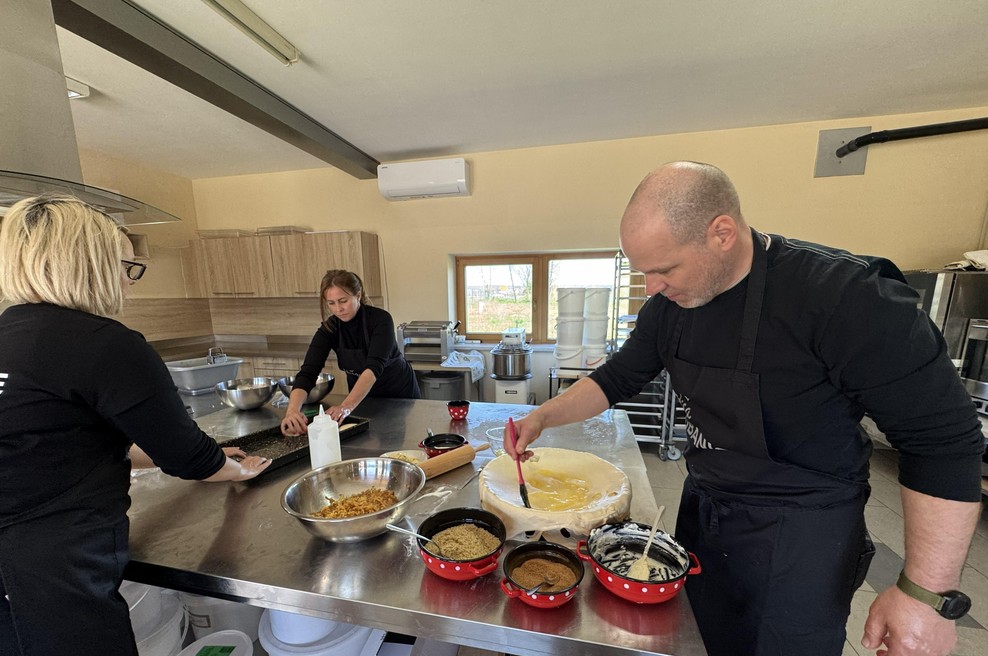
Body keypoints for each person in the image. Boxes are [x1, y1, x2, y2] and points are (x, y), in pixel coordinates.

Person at [512, 162, 983, 656]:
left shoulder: (846, 296)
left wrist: (924, 595)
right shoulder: (670, 307)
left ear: (722, 233)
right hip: (707, 511)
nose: (651, 287)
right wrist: (543, 417)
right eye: (643, 271)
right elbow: (616, 377)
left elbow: (942, 442)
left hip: (801, 538)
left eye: (664, 269)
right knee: (702, 639)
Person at [0, 194, 271, 656]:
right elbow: (187, 457)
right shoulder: (105, 344)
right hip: (52, 566)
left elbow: (71, 445)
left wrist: (211, 457)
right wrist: (234, 469)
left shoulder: (9, 335)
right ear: (92, 262)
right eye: (128, 266)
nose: (130, 283)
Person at [280, 269, 419, 435]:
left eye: (343, 301)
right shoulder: (329, 329)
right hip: (360, 398)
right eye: (331, 303)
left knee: (396, 441)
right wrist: (292, 411)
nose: (338, 309)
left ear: (358, 295)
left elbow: (372, 369)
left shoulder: (381, 320)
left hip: (399, 396)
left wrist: (345, 407)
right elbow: (308, 373)